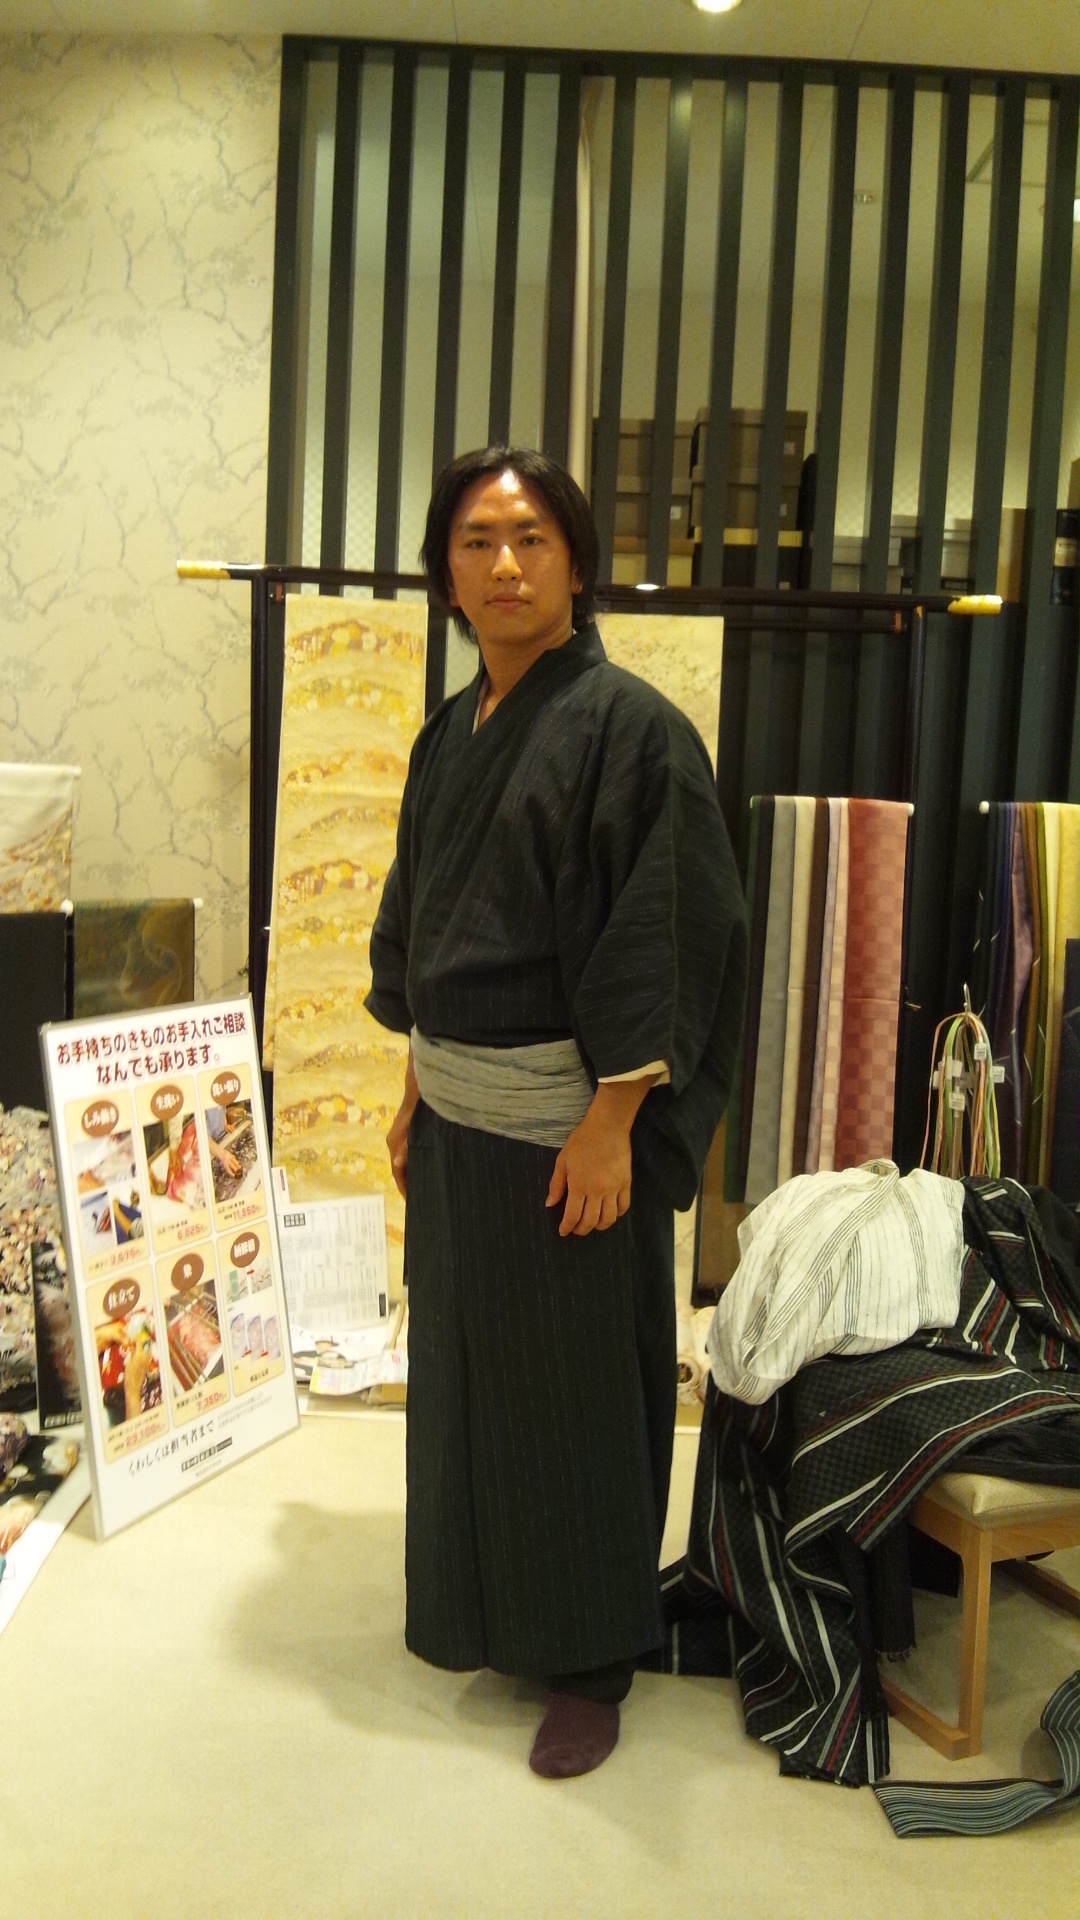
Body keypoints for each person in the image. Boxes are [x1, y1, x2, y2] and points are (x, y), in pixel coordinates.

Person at [365, 446, 747, 1778]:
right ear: (446, 574)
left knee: (577, 1388)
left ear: (578, 565)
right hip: (458, 1122)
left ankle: (590, 1657)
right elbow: (422, 929)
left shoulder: (634, 730)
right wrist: (413, 1088)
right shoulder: (446, 736)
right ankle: (486, 1610)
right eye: (477, 541)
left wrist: (612, 1124)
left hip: (569, 1129)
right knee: (467, 1376)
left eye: (532, 539)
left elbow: (670, 931)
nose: (506, 566)